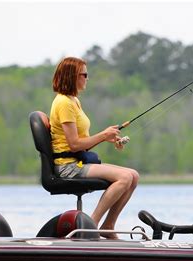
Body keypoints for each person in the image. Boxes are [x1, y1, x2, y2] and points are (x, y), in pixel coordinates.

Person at [50, 57, 139, 239]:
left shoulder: (73, 101)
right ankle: (91, 226)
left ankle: (108, 225)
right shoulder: (64, 104)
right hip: (68, 166)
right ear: (73, 77)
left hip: (79, 161)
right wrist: (103, 135)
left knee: (134, 176)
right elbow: (74, 144)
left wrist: (108, 138)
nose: (87, 78)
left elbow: (81, 140)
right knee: (124, 177)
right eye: (85, 74)